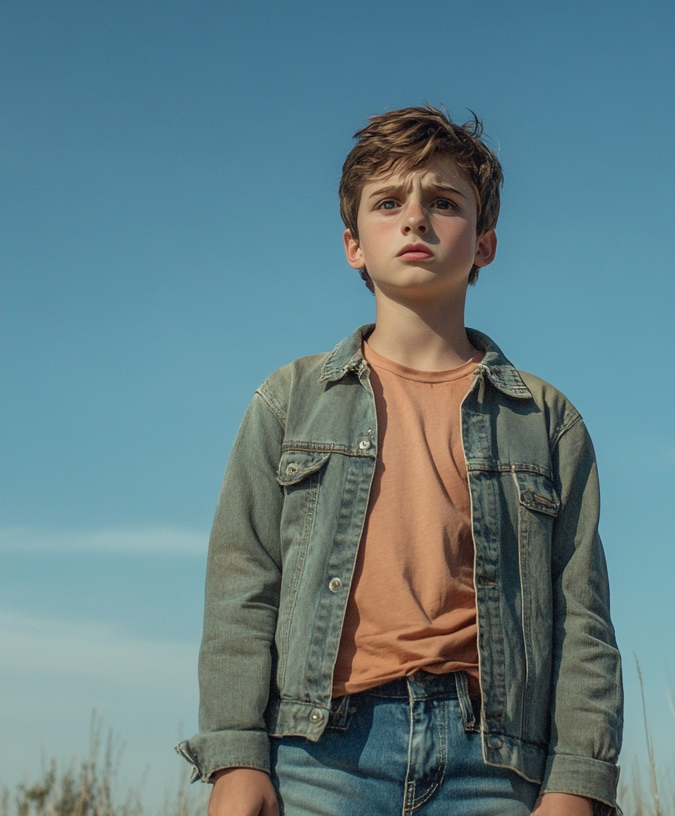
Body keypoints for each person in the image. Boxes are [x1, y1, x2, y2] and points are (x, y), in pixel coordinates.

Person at [177, 105, 622, 816]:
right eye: (389, 203)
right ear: (353, 244)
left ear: (485, 244)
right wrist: (235, 756)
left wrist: (576, 782)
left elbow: (582, 621)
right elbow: (242, 585)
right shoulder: (289, 403)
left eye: (444, 202)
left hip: (493, 762)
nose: (415, 218)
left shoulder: (545, 420)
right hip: (321, 754)